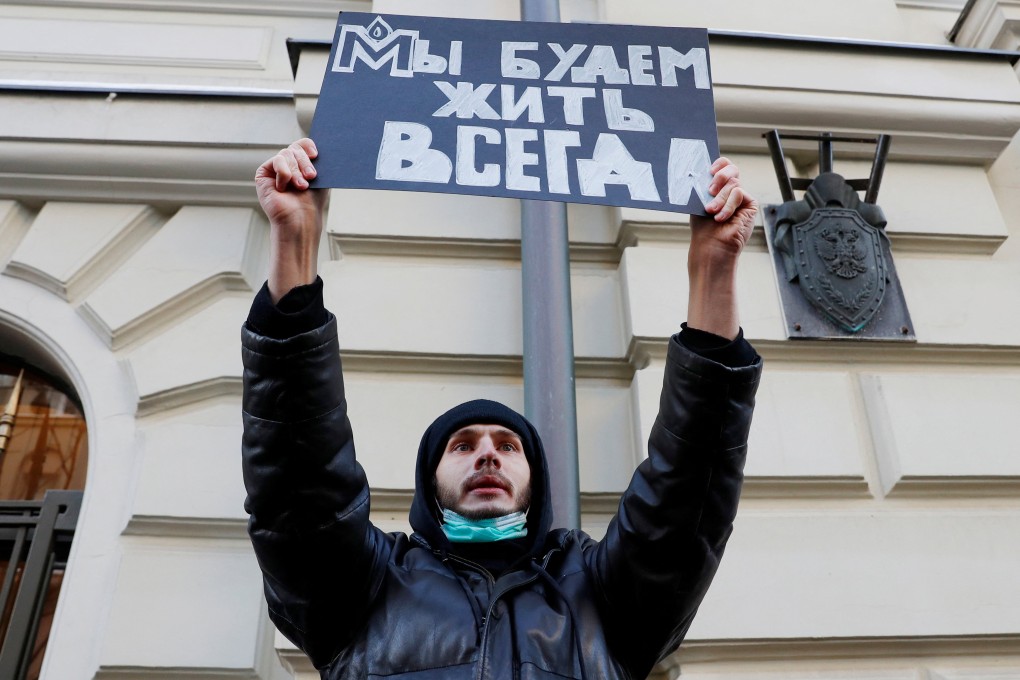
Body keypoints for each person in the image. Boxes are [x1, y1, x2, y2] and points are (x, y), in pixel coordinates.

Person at [241, 138, 761, 680]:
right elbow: (298, 482)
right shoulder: (368, 587)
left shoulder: (601, 594)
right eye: (462, 445)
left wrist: (714, 267)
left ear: (537, 480)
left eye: (507, 446)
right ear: (429, 477)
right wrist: (295, 244)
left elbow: (685, 492)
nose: (486, 455)